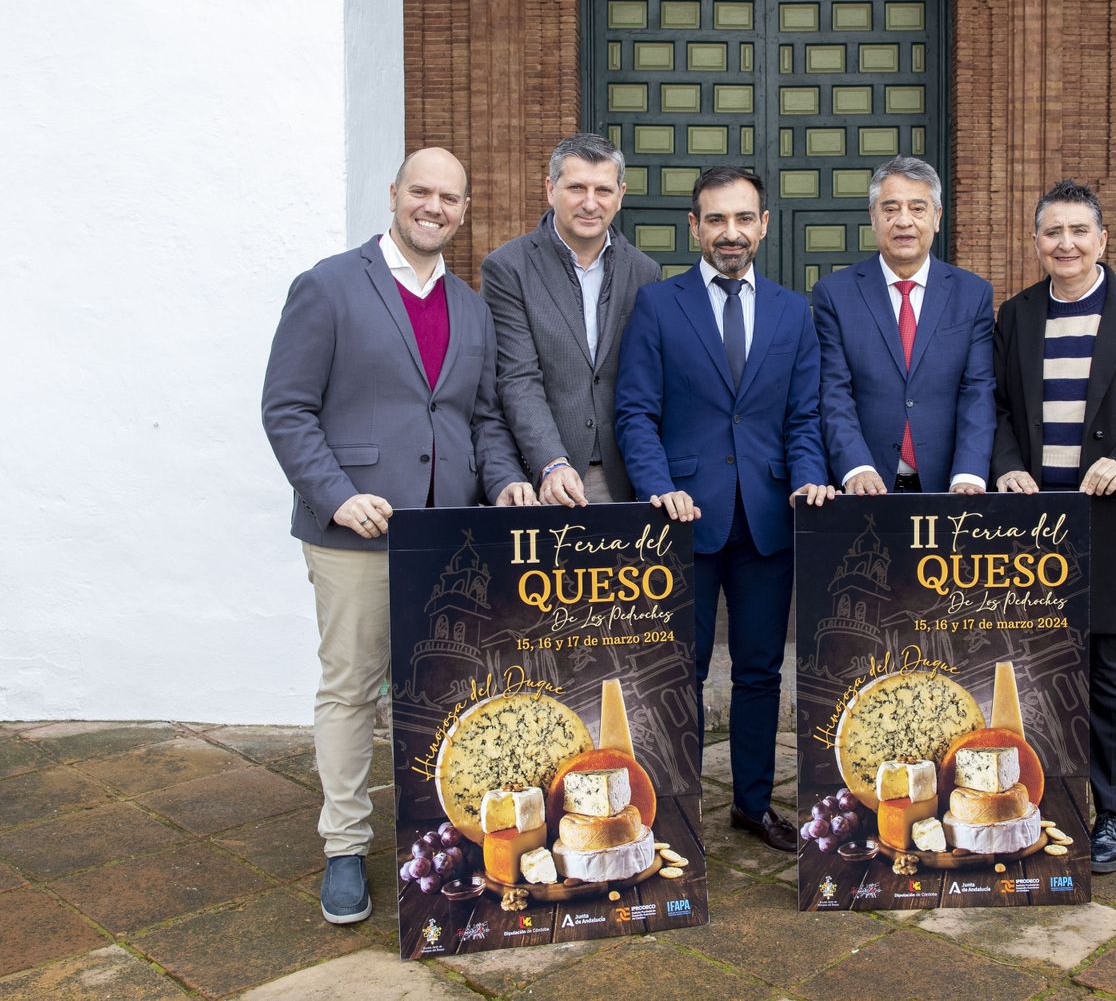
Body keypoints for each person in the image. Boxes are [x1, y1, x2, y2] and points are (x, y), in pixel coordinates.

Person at [262, 148, 534, 923]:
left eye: (449, 197)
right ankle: (345, 847)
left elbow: (481, 418)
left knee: (449, 693)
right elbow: (286, 407)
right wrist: (337, 496)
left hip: (449, 538)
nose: (433, 207)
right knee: (351, 689)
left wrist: (503, 481)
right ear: (394, 194)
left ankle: (440, 830)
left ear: (464, 210)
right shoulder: (328, 286)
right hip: (357, 532)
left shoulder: (470, 307)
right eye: (422, 191)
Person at [614, 166, 835, 852]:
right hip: (681, 519)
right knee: (677, 671)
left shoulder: (793, 312)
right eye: (715, 219)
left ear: (763, 225)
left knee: (760, 672)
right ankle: (673, 810)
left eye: (743, 218)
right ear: (694, 227)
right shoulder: (659, 305)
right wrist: (658, 487)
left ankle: (752, 804)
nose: (730, 232)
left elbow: (804, 417)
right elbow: (635, 412)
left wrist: (809, 478)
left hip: (768, 519)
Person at [991, 179, 1116, 874]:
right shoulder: (1016, 315)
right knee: (1030, 668)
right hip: (1033, 527)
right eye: (1053, 232)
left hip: (1112, 523)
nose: (1066, 243)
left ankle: (1110, 813)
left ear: (1103, 240)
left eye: (1080, 231)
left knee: (1106, 668)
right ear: (1036, 242)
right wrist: (1007, 466)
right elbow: (999, 409)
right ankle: (1037, 800)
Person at [480, 133, 661, 507]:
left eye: (603, 190)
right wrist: (551, 461)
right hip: (544, 478)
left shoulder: (645, 272)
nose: (590, 203)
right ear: (551, 189)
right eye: (577, 187)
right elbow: (518, 378)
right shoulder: (508, 268)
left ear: (620, 195)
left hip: (626, 478)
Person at [812, 156, 995, 494]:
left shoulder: (973, 294)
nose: (904, 221)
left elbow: (978, 390)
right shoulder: (835, 294)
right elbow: (834, 391)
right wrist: (856, 467)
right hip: (866, 485)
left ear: (937, 217)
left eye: (917, 208)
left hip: (948, 485)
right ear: (873, 217)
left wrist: (969, 473)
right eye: (891, 209)